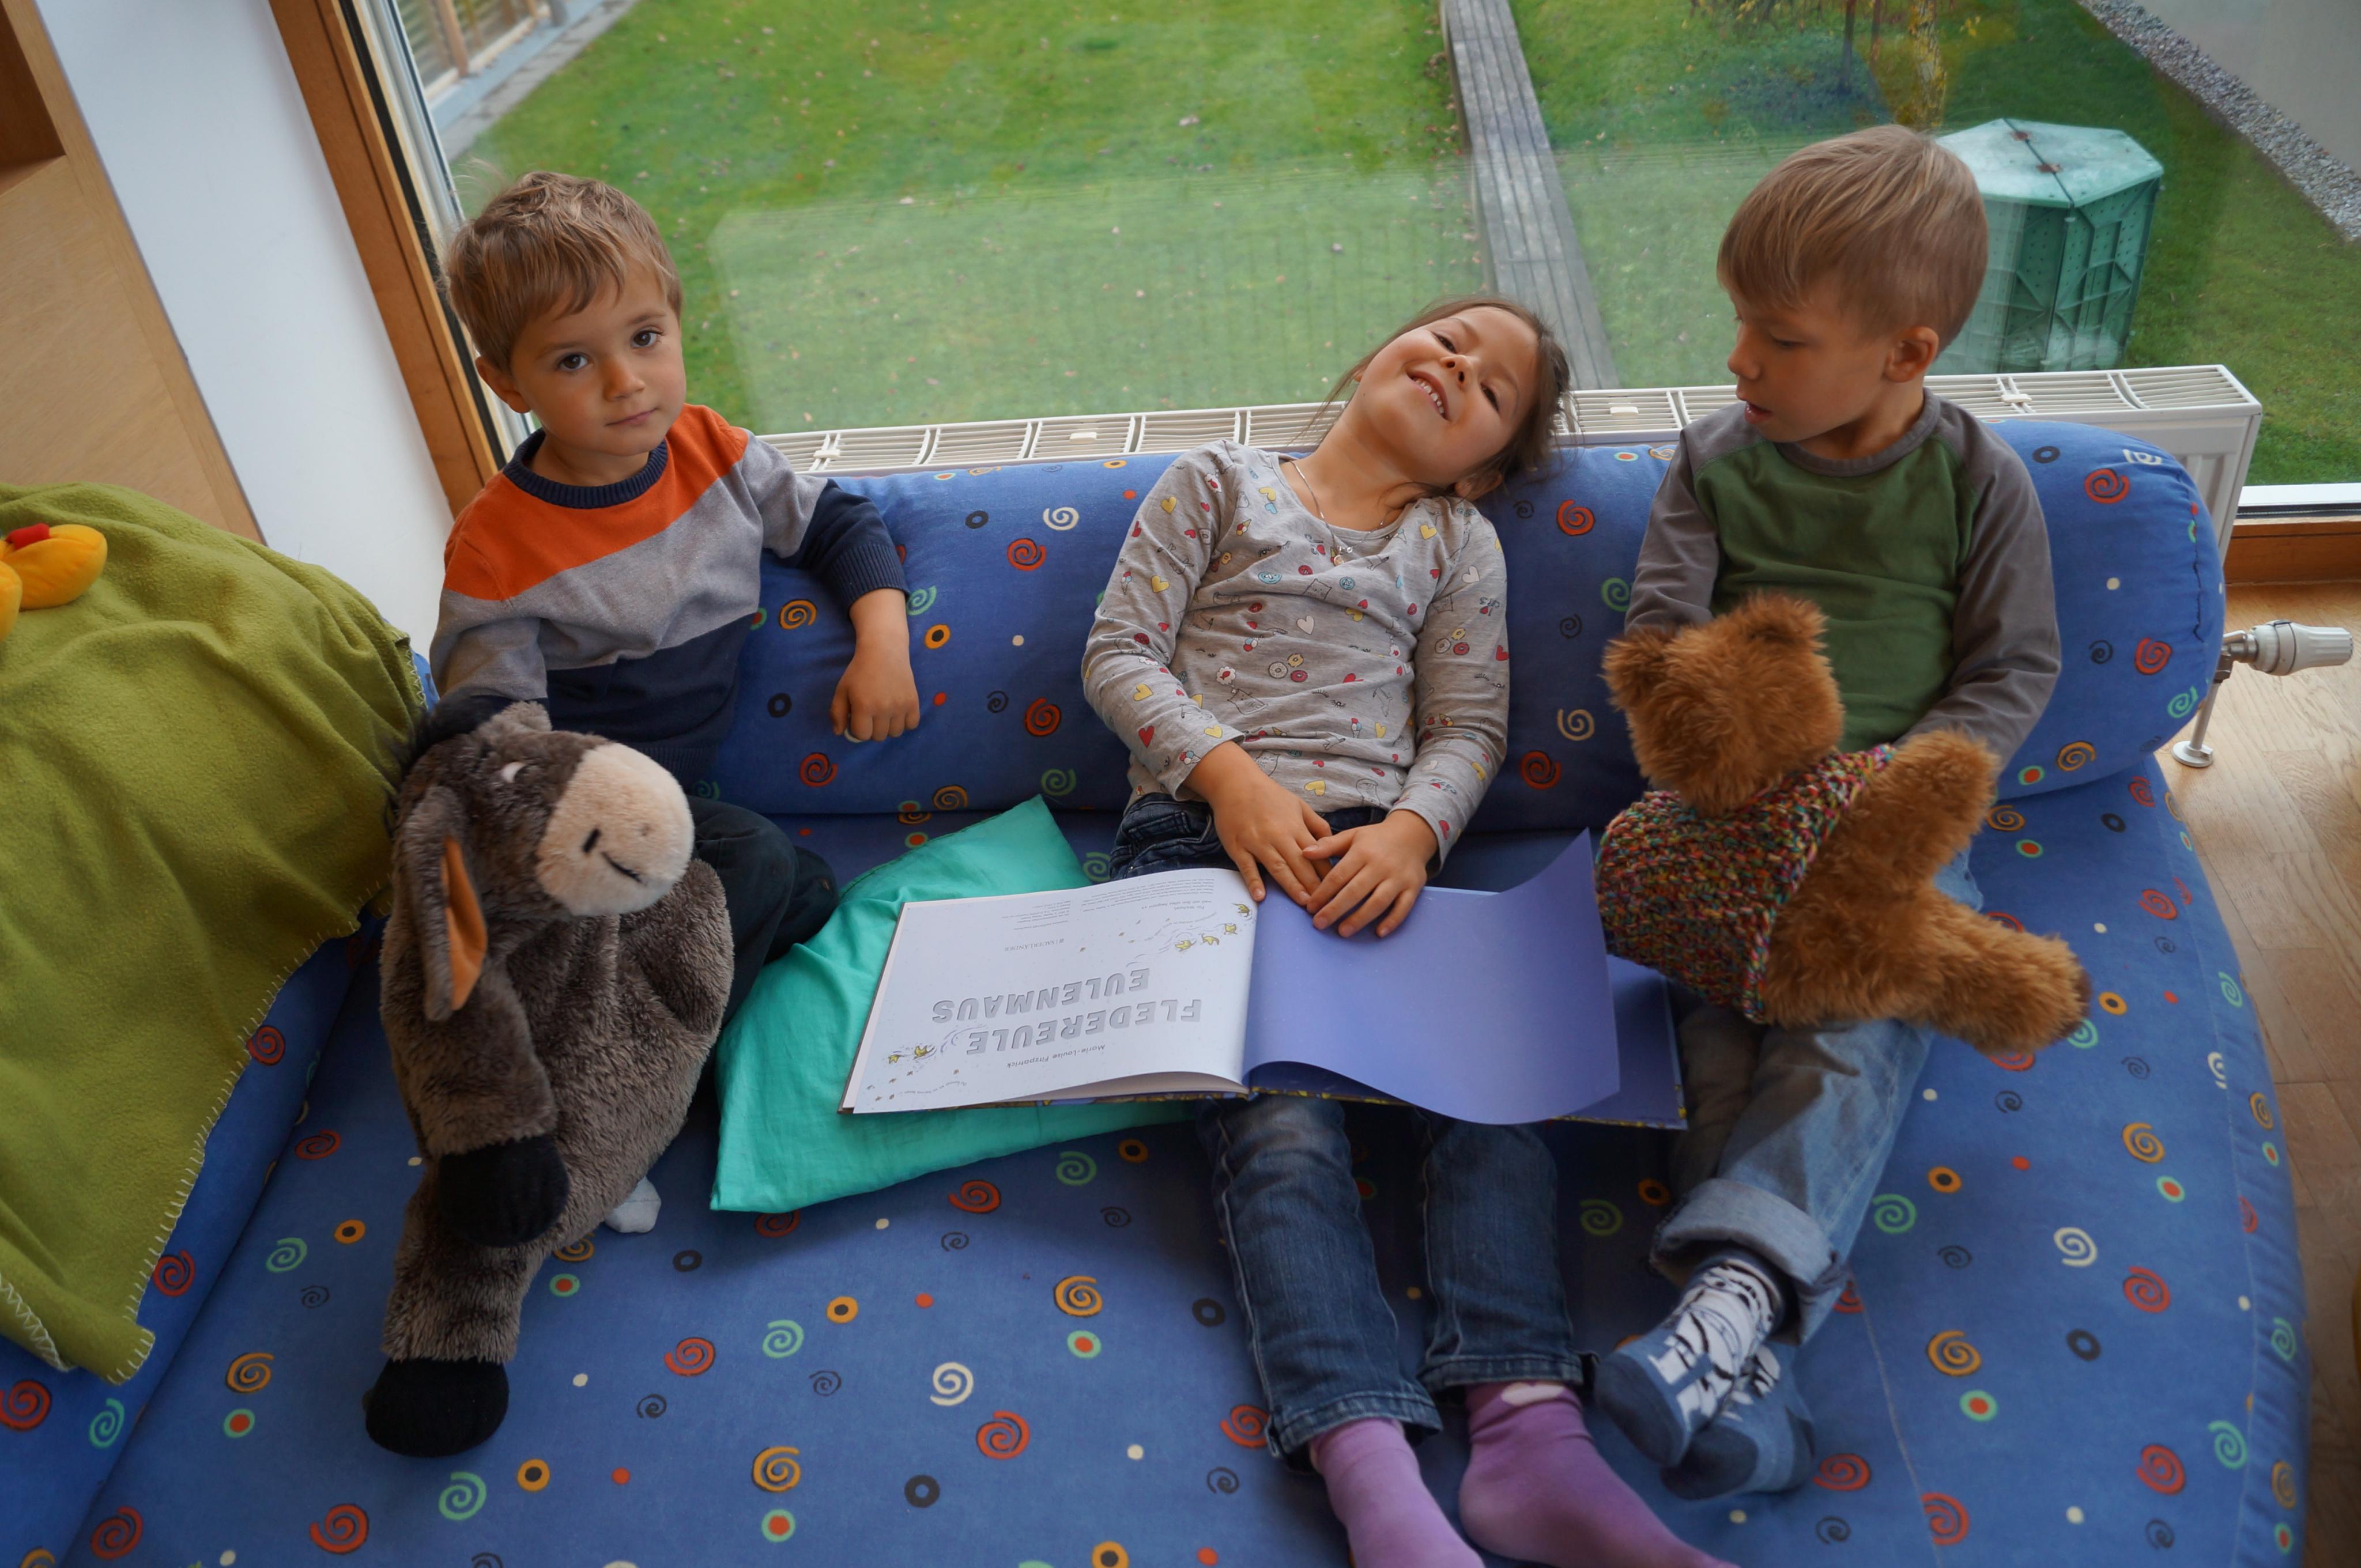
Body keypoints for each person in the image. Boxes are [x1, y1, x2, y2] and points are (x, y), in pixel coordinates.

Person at [1083, 299, 1723, 1568]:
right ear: (1380, 352)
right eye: (1446, 340)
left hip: (1376, 863)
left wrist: (1412, 836)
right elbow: (1119, 654)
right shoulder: (1220, 482)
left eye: (1488, 386)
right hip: (1204, 846)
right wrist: (1229, 778)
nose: (1453, 365)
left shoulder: (1455, 541)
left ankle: (1528, 1436)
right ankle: (1367, 1465)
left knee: (1496, 1098)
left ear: (1480, 467)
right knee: (1281, 1133)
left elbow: (1468, 727)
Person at [1594, 124, 2061, 1500]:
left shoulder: (1975, 479)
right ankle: (1753, 1368)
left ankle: (1726, 1317)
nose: (1738, 360)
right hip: (1730, 813)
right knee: (1709, 1042)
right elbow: (1662, 636)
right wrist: (1727, 763)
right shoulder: (1711, 461)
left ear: (1905, 352)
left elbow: (2011, 668)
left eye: (1779, 338)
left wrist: (1893, 789)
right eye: (1740, 324)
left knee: (1849, 1028)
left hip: (1887, 826)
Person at [425, 172, 919, 1232]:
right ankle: (616, 1102)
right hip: (581, 824)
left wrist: (883, 640)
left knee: (808, 894)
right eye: (573, 360)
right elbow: (499, 745)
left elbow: (840, 521)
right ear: (505, 381)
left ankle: (666, 1041)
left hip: (680, 806)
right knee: (760, 865)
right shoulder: (496, 547)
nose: (626, 382)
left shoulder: (714, 453)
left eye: (645, 337)